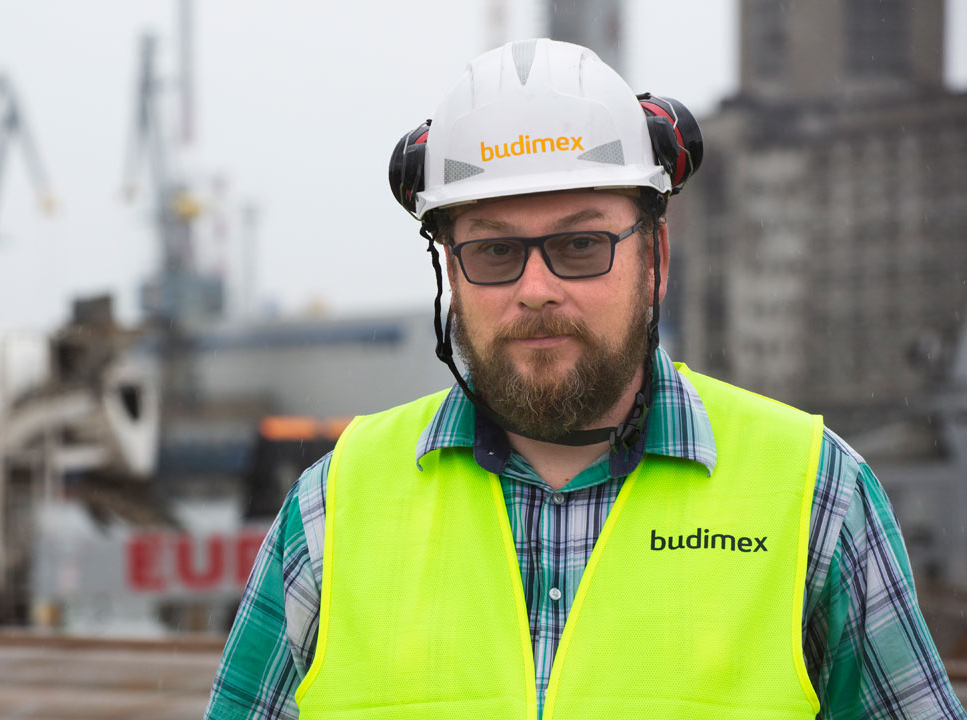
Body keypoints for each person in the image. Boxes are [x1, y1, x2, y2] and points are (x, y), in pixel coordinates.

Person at [205, 39, 965, 719]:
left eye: (579, 245)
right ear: (451, 271)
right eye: (495, 253)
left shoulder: (815, 494)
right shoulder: (332, 512)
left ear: (655, 258)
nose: (535, 288)